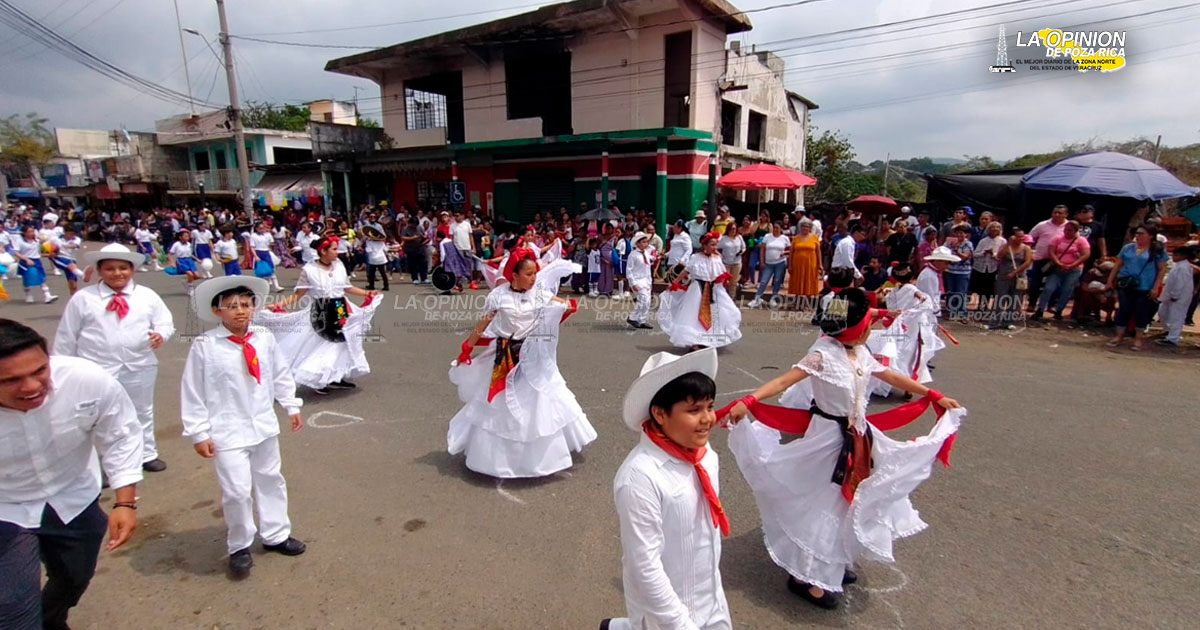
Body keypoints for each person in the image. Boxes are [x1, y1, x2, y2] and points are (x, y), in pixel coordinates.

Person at [725, 288, 964, 609]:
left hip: (859, 438)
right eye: (867, 323)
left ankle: (831, 559)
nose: (871, 328)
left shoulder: (859, 352)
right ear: (853, 328)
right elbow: (785, 381)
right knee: (820, 501)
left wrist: (931, 394)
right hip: (825, 442)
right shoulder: (822, 355)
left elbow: (890, 374)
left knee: (846, 501)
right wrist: (749, 400)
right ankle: (804, 575)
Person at [0, 319, 144, 630]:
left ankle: (52, 620)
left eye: (39, 371)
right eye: (10, 380)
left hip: (73, 496)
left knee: (73, 577)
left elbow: (122, 434)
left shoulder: (84, 379)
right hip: (6, 508)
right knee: (11, 606)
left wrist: (124, 502)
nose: (31, 387)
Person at [182, 276, 306, 577]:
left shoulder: (263, 337)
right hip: (227, 430)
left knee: (270, 479)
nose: (240, 311)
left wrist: (290, 404)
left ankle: (276, 534)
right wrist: (199, 432)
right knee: (236, 491)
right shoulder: (205, 346)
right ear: (217, 311)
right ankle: (239, 544)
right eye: (232, 306)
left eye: (246, 304)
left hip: (262, 423)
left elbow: (280, 372)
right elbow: (192, 390)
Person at [601, 348, 730, 630]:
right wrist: (681, 624)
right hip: (667, 615)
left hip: (712, 600)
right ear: (659, 413)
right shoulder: (640, 477)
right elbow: (644, 566)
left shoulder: (705, 455)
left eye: (709, 406)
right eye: (694, 411)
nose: (708, 418)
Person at [448, 250, 595, 478]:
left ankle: (539, 459)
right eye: (528, 274)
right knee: (499, 406)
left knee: (536, 404)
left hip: (532, 357)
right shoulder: (498, 296)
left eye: (535, 273)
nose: (533, 278)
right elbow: (483, 323)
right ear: (514, 275)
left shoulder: (538, 294)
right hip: (504, 357)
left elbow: (563, 305)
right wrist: (467, 348)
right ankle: (498, 460)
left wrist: (567, 305)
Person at [53, 243, 174, 472]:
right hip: (97, 367)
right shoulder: (84, 298)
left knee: (142, 411)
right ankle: (105, 462)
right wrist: (60, 371)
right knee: (98, 415)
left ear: (132, 270)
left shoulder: (146, 296)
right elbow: (67, 335)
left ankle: (146, 453)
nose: (117, 273)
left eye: (123, 268)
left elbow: (164, 321)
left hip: (139, 364)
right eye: (110, 268)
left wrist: (161, 335)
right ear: (99, 270)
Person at [258, 235, 381, 395]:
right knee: (320, 345)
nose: (338, 252)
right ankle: (318, 379)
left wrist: (367, 293)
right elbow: (298, 295)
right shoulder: (309, 270)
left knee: (341, 344)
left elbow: (347, 288)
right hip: (321, 310)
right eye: (334, 249)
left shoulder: (339, 266)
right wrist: (277, 305)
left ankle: (335, 376)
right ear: (323, 251)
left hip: (340, 308)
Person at [658, 232, 743, 351]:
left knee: (717, 313)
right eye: (712, 245)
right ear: (705, 245)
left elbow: (720, 274)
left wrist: (722, 285)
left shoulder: (717, 258)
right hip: (697, 289)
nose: (714, 247)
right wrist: (675, 283)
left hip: (713, 289)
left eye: (716, 245)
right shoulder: (696, 257)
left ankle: (707, 339)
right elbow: (686, 271)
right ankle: (694, 341)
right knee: (693, 316)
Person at [1106, 226, 1168, 351]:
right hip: (1125, 283)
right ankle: (1119, 336)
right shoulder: (1128, 248)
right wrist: (1110, 281)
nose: (1138, 236)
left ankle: (1138, 338)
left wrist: (1156, 287)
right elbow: (1118, 265)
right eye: (1137, 233)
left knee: (1141, 312)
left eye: (1141, 233)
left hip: (1145, 285)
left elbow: (1162, 270)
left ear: (1150, 235)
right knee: (1124, 310)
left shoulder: (1156, 251)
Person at [1032, 220, 1090, 321]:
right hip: (1057, 268)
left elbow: (1086, 254)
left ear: (1075, 231)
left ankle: (1059, 311)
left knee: (1066, 290)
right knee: (1048, 288)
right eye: (1066, 230)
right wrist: (1058, 263)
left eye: (1070, 230)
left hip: (1074, 269)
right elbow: (1051, 251)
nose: (1067, 232)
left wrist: (1073, 265)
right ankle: (1040, 310)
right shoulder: (1058, 238)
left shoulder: (1081, 240)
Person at [990, 228, 1033, 330]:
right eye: (1018, 236)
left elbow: (1027, 262)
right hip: (1004, 275)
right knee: (1000, 297)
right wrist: (1008, 244)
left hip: (1019, 276)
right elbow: (999, 256)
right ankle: (995, 321)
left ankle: (1009, 321)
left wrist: (1015, 272)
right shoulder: (1007, 246)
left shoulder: (1026, 248)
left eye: (1022, 236)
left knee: (1016, 299)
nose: (1020, 239)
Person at [1028, 205, 1069, 308]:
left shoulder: (1070, 227)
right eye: (1054, 212)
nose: (1056, 214)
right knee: (1035, 283)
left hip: (1059, 260)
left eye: (1060, 213)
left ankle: (1051, 305)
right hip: (1040, 258)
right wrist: (1030, 253)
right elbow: (1029, 239)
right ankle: (1032, 303)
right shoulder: (1042, 225)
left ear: (1066, 214)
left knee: (1056, 284)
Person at [1156, 246, 1195, 346]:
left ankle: (1173, 338)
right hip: (1170, 295)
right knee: (1162, 312)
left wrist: (1175, 295)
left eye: (1176, 255)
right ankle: (1168, 331)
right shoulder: (1178, 265)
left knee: (1176, 317)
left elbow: (1180, 283)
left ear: (1183, 256)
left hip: (1179, 297)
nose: (1173, 257)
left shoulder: (1184, 267)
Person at [748, 222, 791, 308]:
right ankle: (757, 298)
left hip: (780, 263)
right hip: (768, 263)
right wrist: (762, 261)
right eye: (774, 227)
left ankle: (773, 298)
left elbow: (790, 250)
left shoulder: (785, 238)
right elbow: (762, 250)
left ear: (781, 229)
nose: (775, 229)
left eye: (777, 228)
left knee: (777, 281)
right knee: (764, 281)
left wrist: (785, 253)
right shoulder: (767, 236)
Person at [13, 226, 58, 304]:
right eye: (30, 232)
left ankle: (47, 296)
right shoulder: (19, 241)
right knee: (27, 279)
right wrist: (26, 260)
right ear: (24, 233)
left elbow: (41, 252)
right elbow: (16, 252)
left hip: (36, 261)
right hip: (25, 261)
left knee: (41, 277)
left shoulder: (37, 240)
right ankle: (28, 295)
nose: (32, 233)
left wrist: (50, 254)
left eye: (33, 231)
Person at [971, 222, 1005, 314]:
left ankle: (986, 305)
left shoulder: (1002, 241)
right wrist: (984, 253)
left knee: (990, 288)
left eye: (997, 228)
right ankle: (979, 305)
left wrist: (993, 254)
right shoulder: (983, 241)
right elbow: (975, 254)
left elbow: (1002, 256)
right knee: (980, 287)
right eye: (992, 228)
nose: (994, 230)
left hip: (993, 268)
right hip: (981, 267)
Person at [626, 232, 657, 329]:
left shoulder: (646, 253)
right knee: (642, 299)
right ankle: (633, 317)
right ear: (637, 244)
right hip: (637, 280)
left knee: (647, 301)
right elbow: (629, 270)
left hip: (646, 280)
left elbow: (648, 268)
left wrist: (650, 282)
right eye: (643, 242)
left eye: (646, 242)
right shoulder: (633, 255)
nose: (646, 244)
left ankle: (642, 320)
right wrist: (633, 283)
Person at [787, 218, 822, 304]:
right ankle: (797, 303)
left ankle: (806, 303)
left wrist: (820, 264)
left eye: (807, 227)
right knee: (798, 282)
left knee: (809, 282)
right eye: (803, 227)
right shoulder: (796, 238)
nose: (805, 228)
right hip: (797, 264)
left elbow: (818, 252)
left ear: (810, 228)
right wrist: (790, 265)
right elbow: (791, 252)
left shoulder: (814, 238)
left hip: (811, 264)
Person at [944, 226, 974, 320]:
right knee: (951, 291)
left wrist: (956, 251)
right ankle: (951, 311)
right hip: (950, 270)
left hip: (963, 272)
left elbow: (965, 257)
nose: (960, 235)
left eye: (962, 233)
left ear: (966, 234)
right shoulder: (950, 243)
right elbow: (945, 253)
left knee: (961, 292)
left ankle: (962, 313)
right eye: (958, 233)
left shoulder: (968, 244)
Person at [919, 246, 957, 318]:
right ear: (938, 261)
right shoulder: (929, 275)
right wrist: (935, 312)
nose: (947, 266)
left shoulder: (933, 273)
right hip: (928, 313)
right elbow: (929, 296)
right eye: (946, 263)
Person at [48, 225, 85, 295]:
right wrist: (50, 254)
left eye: (73, 234)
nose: (72, 236)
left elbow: (75, 246)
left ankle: (74, 300)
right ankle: (83, 274)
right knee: (69, 265)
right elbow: (44, 249)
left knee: (73, 285)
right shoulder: (55, 239)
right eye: (70, 234)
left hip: (72, 260)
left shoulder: (77, 239)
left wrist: (66, 246)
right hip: (59, 258)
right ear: (65, 232)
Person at [399, 217, 429, 285]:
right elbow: (403, 237)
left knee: (423, 263)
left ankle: (424, 278)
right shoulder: (405, 229)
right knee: (413, 264)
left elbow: (424, 235)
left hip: (420, 247)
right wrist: (413, 238)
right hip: (410, 249)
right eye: (413, 225)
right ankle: (415, 278)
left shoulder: (420, 227)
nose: (414, 226)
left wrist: (424, 237)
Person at [717, 223, 745, 295]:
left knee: (733, 282)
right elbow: (716, 248)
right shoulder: (723, 238)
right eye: (732, 229)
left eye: (735, 229)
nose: (733, 230)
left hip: (737, 262)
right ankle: (724, 296)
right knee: (725, 281)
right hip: (726, 263)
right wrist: (720, 255)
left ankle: (732, 297)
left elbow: (744, 247)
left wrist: (742, 252)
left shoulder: (739, 237)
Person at [362, 226, 390, 292]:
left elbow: (369, 251)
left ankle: (371, 285)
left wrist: (365, 248)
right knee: (383, 273)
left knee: (371, 273)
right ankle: (386, 286)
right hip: (381, 259)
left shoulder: (369, 243)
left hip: (373, 259)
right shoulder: (381, 242)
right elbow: (386, 249)